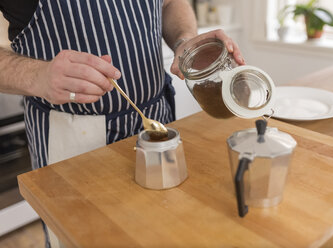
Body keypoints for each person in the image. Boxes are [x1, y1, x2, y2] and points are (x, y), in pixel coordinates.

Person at [0, 0, 244, 247]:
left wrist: (184, 40)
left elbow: (170, 3)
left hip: (158, 123)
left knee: (165, 232)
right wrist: (36, 75)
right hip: (76, 141)